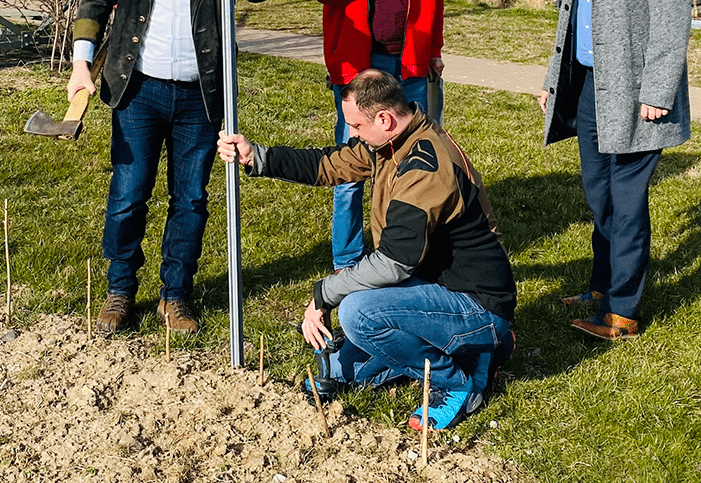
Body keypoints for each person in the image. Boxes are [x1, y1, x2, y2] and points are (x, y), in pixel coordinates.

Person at [217, 69, 516, 430]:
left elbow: (393, 262)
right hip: (432, 286)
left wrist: (323, 295)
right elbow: (328, 164)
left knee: (360, 314)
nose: (352, 134)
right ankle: (483, 352)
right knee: (349, 369)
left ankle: (455, 383)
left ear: (385, 119)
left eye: (356, 126)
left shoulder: (424, 165)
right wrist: (257, 157)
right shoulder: (392, 141)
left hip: (475, 301)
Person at [68, 0, 277, 335]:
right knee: (128, 194)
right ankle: (120, 290)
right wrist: (82, 64)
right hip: (138, 89)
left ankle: (175, 294)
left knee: (191, 198)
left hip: (202, 95)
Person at [539, 0, 692, 340]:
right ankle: (601, 288)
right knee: (599, 196)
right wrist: (552, 81)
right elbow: (570, 19)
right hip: (590, 90)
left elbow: (672, 26)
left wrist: (657, 92)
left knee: (625, 203)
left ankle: (622, 313)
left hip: (638, 97)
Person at [308, 0, 445, 272]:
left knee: (416, 159)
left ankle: (407, 253)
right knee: (351, 163)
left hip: (408, 63)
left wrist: (434, 49)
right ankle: (347, 260)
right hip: (358, 67)